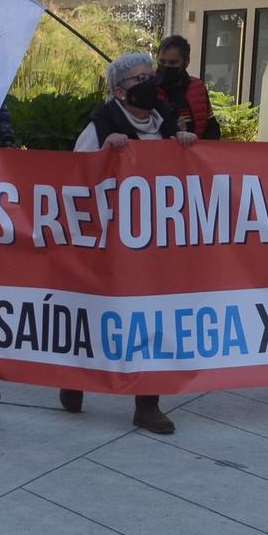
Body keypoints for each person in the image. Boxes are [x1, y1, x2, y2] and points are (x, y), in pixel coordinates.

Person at [61, 53, 199, 435]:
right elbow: (76, 179)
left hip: (156, 244)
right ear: (120, 91)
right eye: (142, 78)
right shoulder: (100, 127)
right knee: (97, 314)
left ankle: (147, 402)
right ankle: (75, 378)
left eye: (152, 75)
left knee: (153, 317)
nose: (151, 81)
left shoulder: (166, 123)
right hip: (110, 243)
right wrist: (105, 154)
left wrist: (185, 145)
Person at [154, 35, 216, 140]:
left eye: (173, 62)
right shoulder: (149, 89)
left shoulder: (198, 87)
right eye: (162, 62)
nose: (166, 66)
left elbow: (211, 127)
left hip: (194, 154)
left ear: (186, 62)